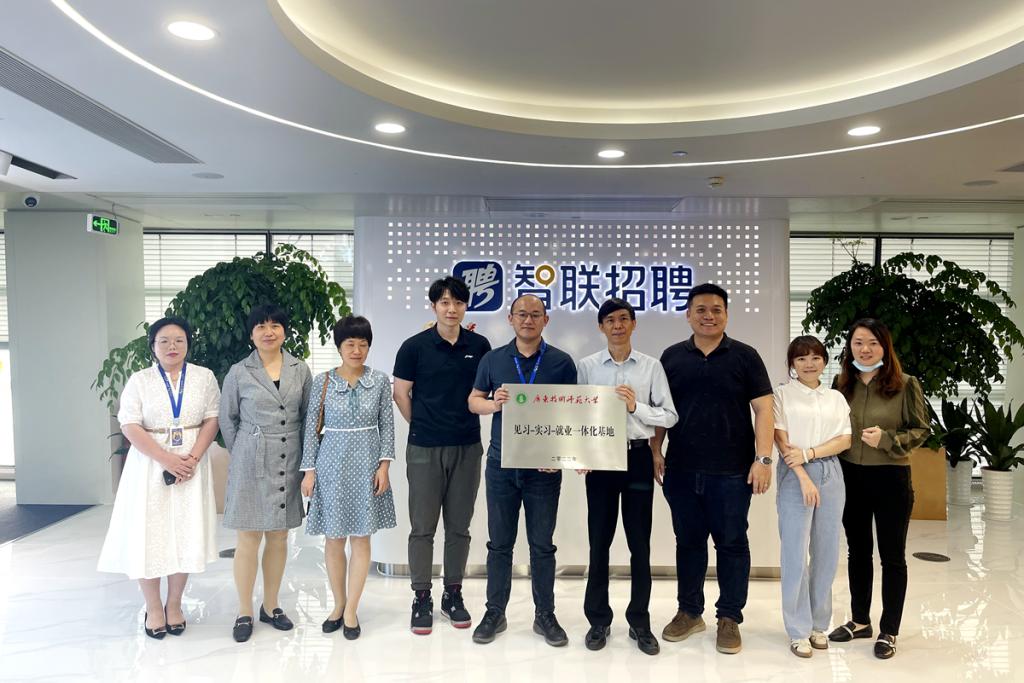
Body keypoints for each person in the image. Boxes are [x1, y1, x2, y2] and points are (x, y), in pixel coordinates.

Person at [657, 283, 774, 655]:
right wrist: (656, 450)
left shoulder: (745, 356)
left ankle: (729, 617)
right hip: (681, 468)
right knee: (688, 543)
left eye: (716, 310)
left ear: (726, 314)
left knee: (732, 544)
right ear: (688, 315)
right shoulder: (672, 357)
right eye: (701, 310)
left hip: (732, 472)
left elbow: (764, 409)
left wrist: (763, 458)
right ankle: (690, 612)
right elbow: (661, 409)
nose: (709, 316)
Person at [97, 316, 221, 639]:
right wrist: (166, 459)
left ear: (188, 344)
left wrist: (192, 459)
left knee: (186, 533)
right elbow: (129, 424)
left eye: (179, 340)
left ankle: (174, 604)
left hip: (191, 465)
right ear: (152, 346)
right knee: (148, 535)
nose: (172, 346)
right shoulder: (139, 380)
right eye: (163, 341)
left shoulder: (204, 377)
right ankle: (153, 607)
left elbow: (212, 419)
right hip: (150, 466)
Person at [468, 294, 578, 647]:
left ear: (546, 319)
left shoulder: (561, 362)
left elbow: (573, 415)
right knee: (499, 544)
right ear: (510, 319)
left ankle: (545, 615)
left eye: (535, 314)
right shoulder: (493, 359)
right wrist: (493, 404)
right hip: (501, 466)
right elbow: (473, 401)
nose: (528, 320)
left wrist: (561, 456)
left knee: (542, 546)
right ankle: (494, 612)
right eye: (521, 314)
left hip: (544, 470)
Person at [577, 298, 678, 656]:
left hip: (637, 457)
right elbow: (576, 414)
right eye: (610, 320)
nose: (617, 326)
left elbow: (670, 415)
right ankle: (598, 620)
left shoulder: (651, 367)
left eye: (623, 319)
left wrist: (637, 407)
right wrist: (580, 453)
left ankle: (640, 622)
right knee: (598, 543)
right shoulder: (587, 366)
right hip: (600, 461)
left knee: (639, 544)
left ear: (634, 324)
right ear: (600, 327)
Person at [393, 277, 491, 635]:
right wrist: (421, 424)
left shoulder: (479, 346)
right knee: (422, 528)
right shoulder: (414, 346)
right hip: (424, 448)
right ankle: (421, 596)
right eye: (445, 302)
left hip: (467, 446)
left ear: (466, 307)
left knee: (459, 527)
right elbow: (400, 393)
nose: (452, 309)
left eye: (458, 303)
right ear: (434, 306)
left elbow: (484, 393)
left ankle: (453, 593)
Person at [827, 318, 929, 660]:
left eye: (872, 342)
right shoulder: (841, 384)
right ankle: (860, 621)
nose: (865, 349)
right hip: (849, 477)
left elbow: (921, 430)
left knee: (892, 556)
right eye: (858, 342)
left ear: (885, 346)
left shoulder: (905, 384)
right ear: (849, 347)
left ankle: (889, 630)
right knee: (858, 553)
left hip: (891, 478)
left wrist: (887, 440)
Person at [220, 305, 313, 642]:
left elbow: (308, 418)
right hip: (251, 459)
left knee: (279, 536)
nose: (268, 332)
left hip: (289, 459)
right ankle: (244, 610)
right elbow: (227, 419)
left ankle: (271, 605)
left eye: (275, 325)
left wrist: (307, 466)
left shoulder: (300, 369)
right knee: (248, 537)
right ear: (251, 334)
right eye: (261, 326)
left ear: (285, 332)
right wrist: (244, 451)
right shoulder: (238, 372)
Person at [300, 315, 397, 640]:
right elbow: (311, 429)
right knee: (334, 539)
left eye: (363, 344)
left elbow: (387, 426)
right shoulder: (323, 381)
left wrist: (384, 467)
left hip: (368, 466)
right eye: (350, 344)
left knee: (361, 539)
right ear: (339, 347)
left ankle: (352, 609)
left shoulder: (379, 381)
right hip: (331, 466)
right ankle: (338, 605)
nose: (357, 350)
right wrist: (309, 471)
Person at [772, 336, 852, 658]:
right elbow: (781, 440)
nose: (809, 364)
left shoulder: (836, 397)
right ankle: (798, 629)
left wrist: (811, 453)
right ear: (792, 364)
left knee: (827, 551)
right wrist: (803, 474)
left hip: (831, 472)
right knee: (794, 552)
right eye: (801, 358)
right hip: (795, 474)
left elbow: (845, 440)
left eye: (815, 357)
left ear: (824, 361)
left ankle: (819, 624)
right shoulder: (782, 394)